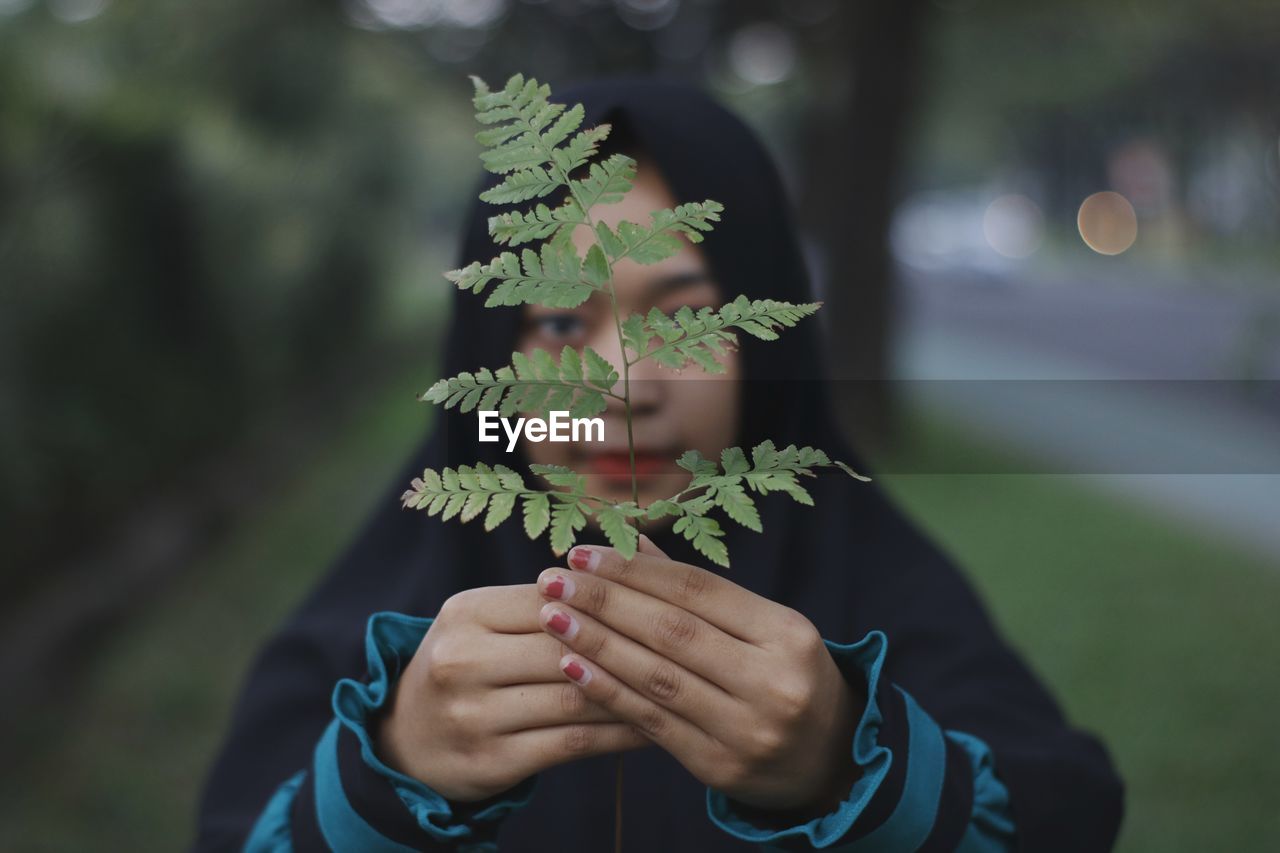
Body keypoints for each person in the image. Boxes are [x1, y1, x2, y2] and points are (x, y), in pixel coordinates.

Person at [193, 76, 1124, 852]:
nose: (620, 387)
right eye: (560, 321)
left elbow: (1060, 811)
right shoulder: (376, 634)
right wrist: (388, 769)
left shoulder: (885, 588)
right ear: (487, 350)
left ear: (770, 346)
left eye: (681, 318)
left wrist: (851, 763)